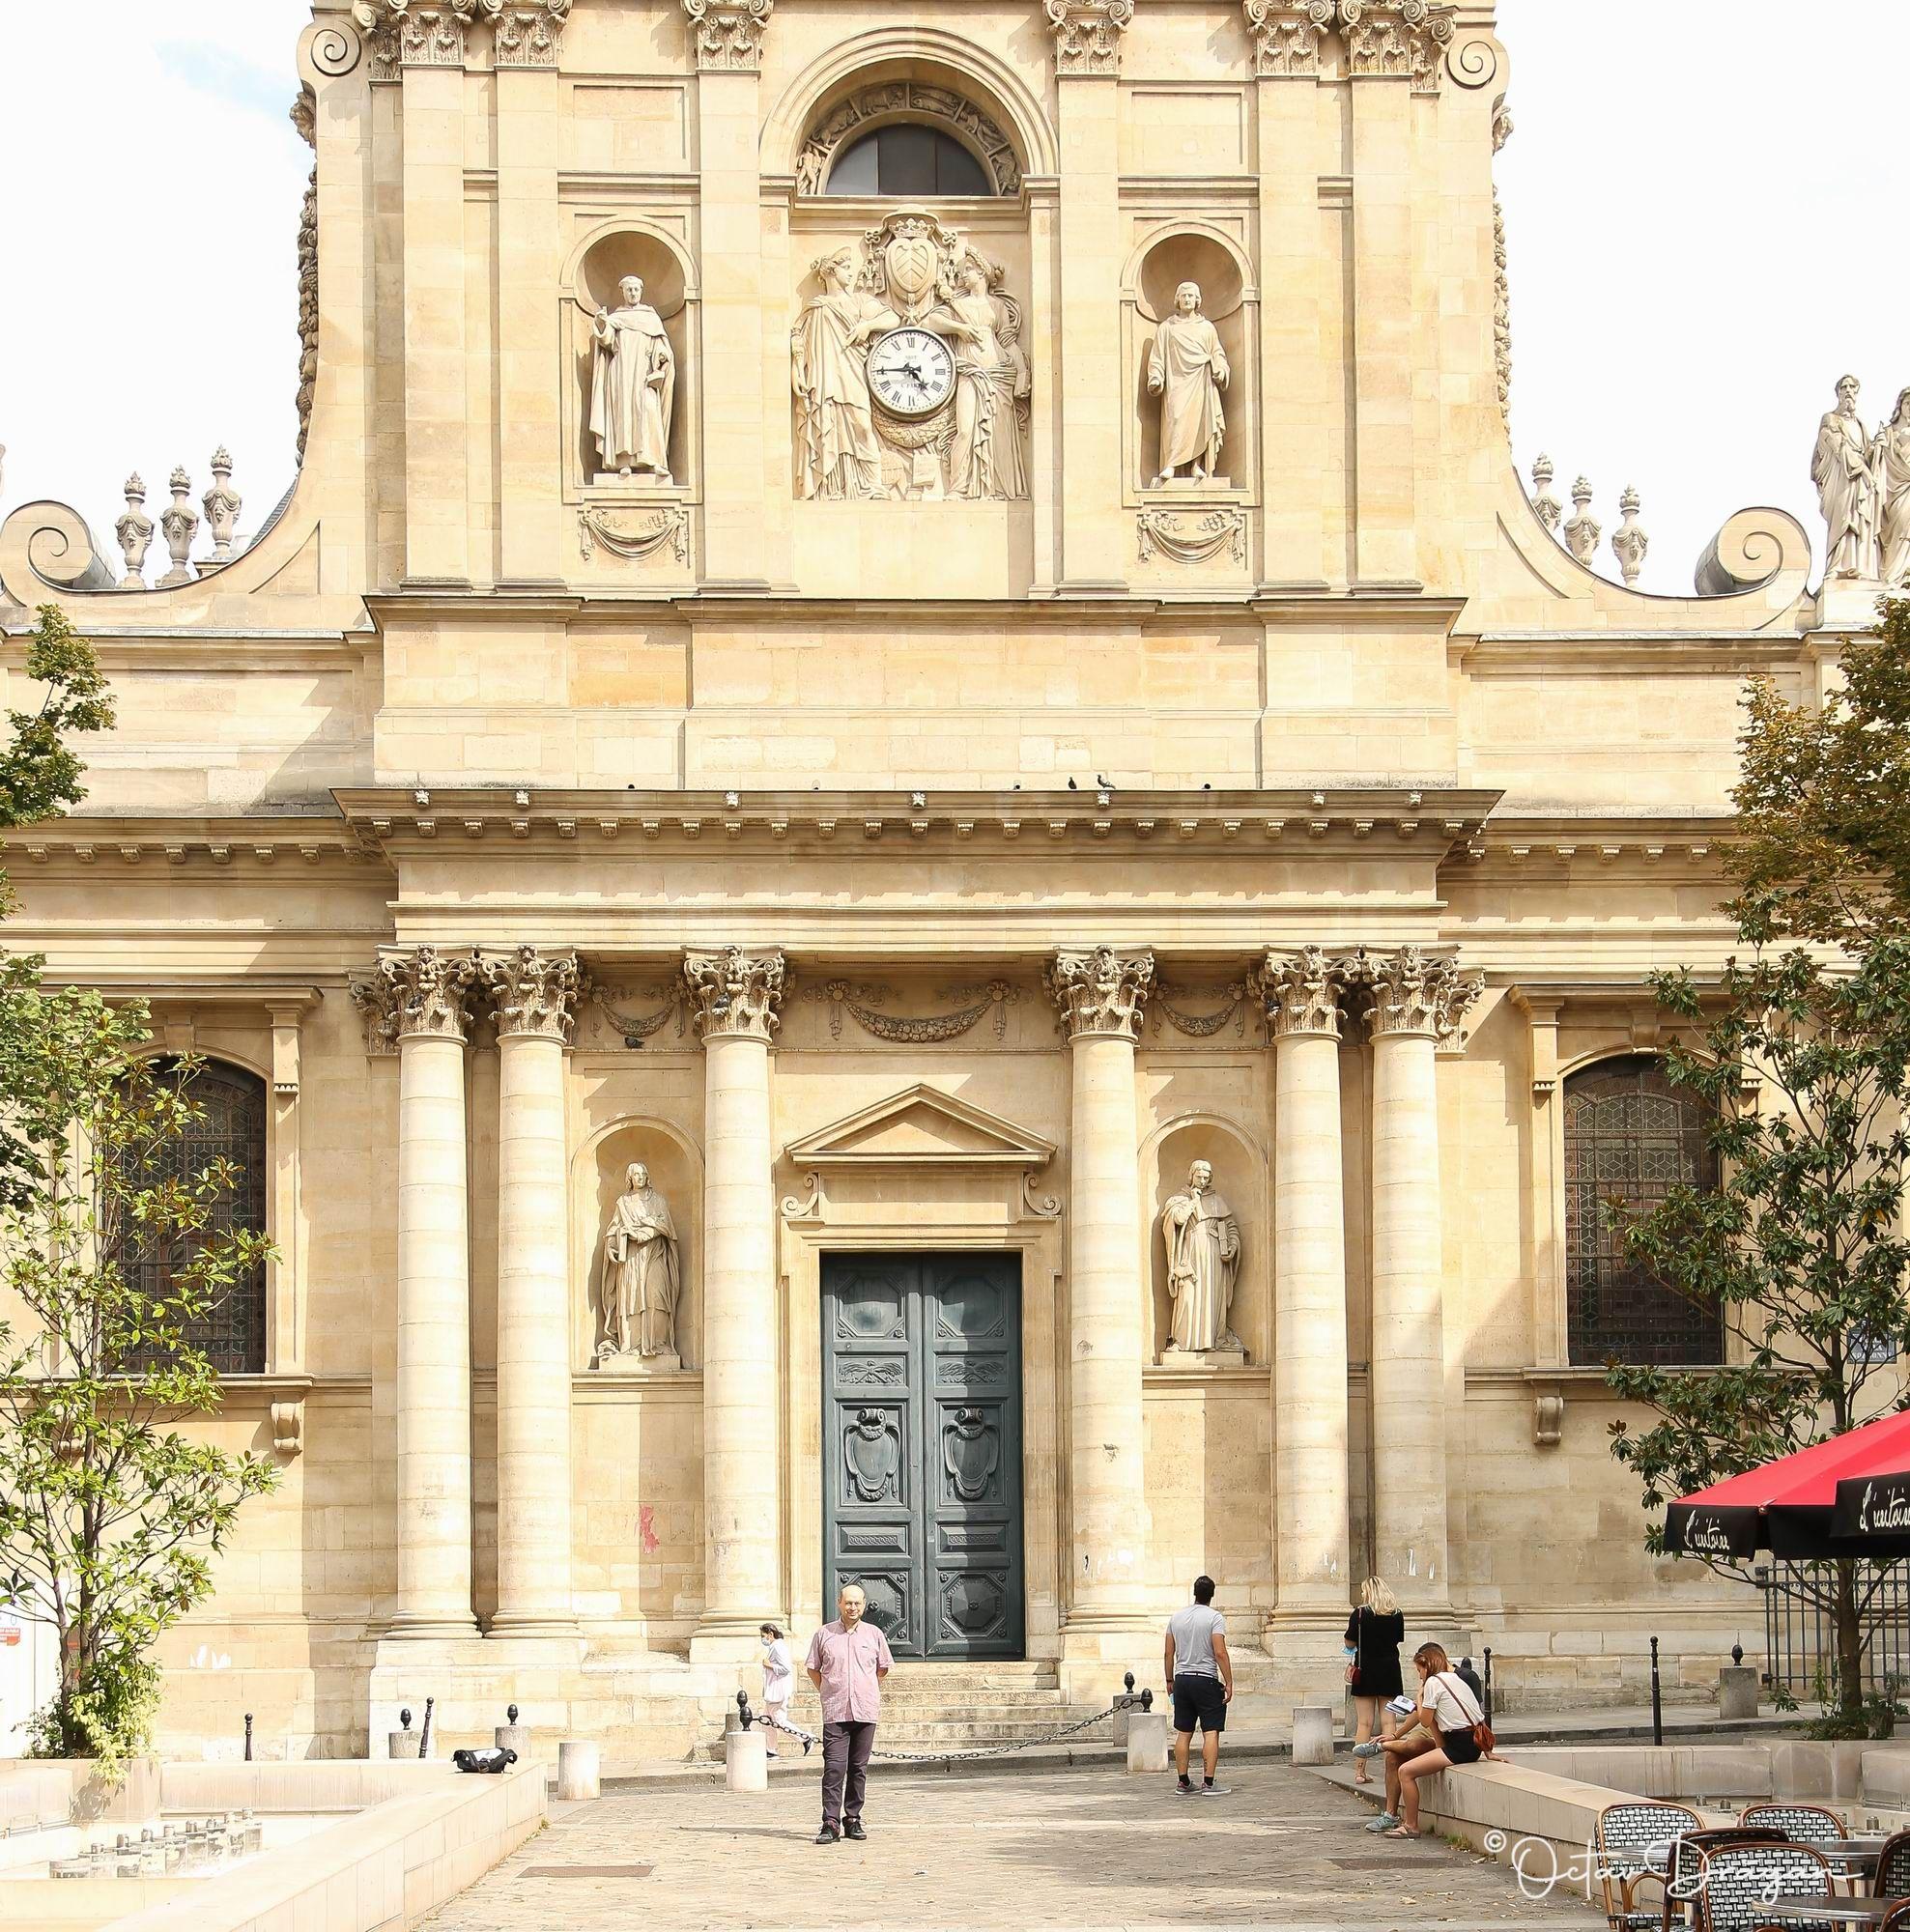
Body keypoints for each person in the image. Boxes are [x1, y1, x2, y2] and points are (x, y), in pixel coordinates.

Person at [1374, 1642, 1491, 1839]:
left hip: (1459, 1745)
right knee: (1415, 1752)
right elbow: (1475, 1718)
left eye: (1419, 1670)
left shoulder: (1433, 1683)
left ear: (1426, 1666)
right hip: (1471, 1742)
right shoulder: (1454, 1679)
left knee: (1405, 1771)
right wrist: (1489, 1752)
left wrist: (1420, 1695)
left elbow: (1426, 1721)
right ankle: (1384, 1745)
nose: (1419, 1676)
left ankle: (1411, 1825)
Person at [805, 1582, 893, 1844]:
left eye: (857, 1603)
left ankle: (852, 1819)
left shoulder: (874, 1634)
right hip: (835, 1710)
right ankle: (830, 1822)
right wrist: (829, 1691)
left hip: (865, 1709)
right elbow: (813, 1668)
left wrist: (865, 1688)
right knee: (834, 1768)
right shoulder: (824, 1634)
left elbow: (883, 1668)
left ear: (864, 1605)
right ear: (839, 1603)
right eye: (848, 1602)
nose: (852, 1607)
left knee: (858, 1768)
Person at [1163, 1574, 1233, 1795]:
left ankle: (1183, 1782)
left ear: (1194, 1593)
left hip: (1182, 1678)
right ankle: (1209, 1783)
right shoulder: (1214, 1618)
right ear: (1212, 1595)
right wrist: (1229, 1681)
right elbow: (1220, 1652)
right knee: (1210, 1731)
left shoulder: (1176, 1617)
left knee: (1183, 1731)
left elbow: (1168, 1653)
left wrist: (1169, 1679)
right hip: (1206, 1679)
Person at [1343, 1577, 1405, 1787]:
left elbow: (1350, 1642)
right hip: (1390, 1669)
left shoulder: (1359, 1614)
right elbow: (1397, 1640)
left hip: (1366, 1670)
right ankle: (1391, 1769)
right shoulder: (1397, 1614)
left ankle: (1360, 1771)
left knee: (1364, 1723)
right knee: (1389, 1722)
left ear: (1368, 1592)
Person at [757, 1623, 813, 1759]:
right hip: (774, 1691)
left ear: (770, 1634)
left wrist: (769, 1665)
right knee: (767, 1719)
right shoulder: (775, 1647)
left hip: (779, 1691)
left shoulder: (778, 1647)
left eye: (763, 1636)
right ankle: (771, 1749)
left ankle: (805, 1739)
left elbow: (786, 1668)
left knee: (779, 1720)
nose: (762, 1639)